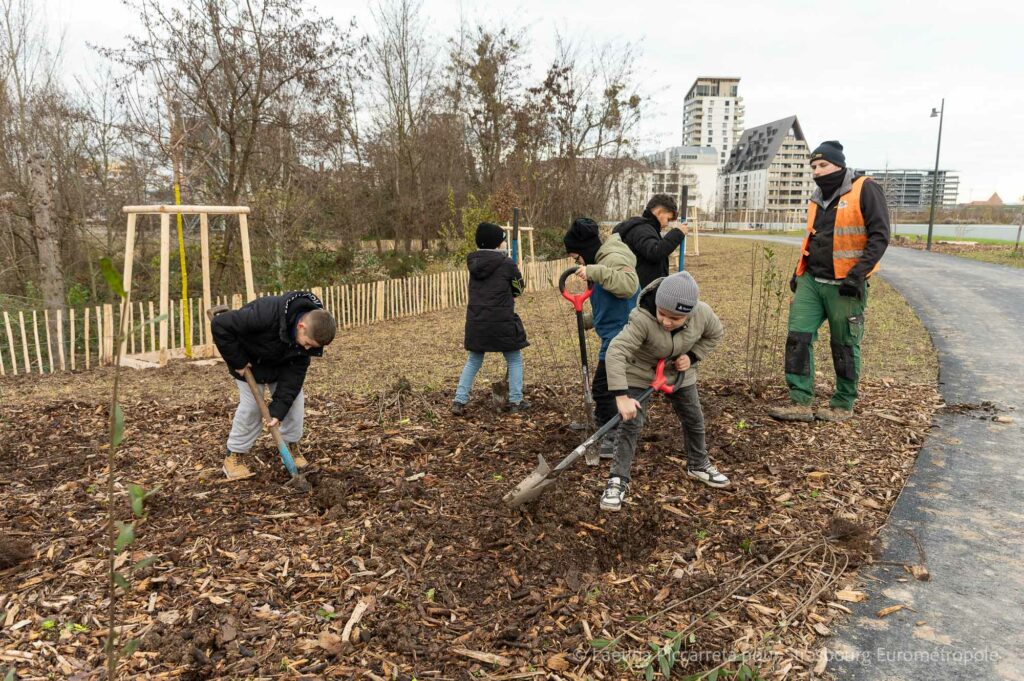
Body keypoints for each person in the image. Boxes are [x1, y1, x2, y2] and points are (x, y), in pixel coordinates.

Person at [768, 140, 890, 423]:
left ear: (839, 165)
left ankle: (842, 403)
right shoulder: (816, 197)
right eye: (813, 166)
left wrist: (857, 274)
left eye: (823, 165)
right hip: (811, 279)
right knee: (798, 337)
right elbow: (814, 237)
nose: (818, 171)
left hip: (845, 284)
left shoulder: (864, 188)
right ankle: (800, 401)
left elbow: (880, 235)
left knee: (844, 344)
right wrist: (798, 273)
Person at [601, 271, 729, 512]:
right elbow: (616, 351)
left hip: (677, 373)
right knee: (631, 424)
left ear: (689, 313)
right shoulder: (642, 318)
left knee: (694, 419)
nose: (667, 321)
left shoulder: (702, 313)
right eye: (663, 313)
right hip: (639, 372)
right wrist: (621, 396)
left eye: (675, 318)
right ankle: (617, 480)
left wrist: (692, 357)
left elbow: (715, 334)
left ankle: (698, 464)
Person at [211, 291, 337, 479]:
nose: (309, 349)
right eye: (308, 344)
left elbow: (293, 379)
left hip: (281, 365)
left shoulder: (309, 340)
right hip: (248, 362)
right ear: (301, 326)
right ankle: (234, 457)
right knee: (252, 407)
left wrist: (277, 411)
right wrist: (238, 361)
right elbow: (220, 325)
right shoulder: (264, 314)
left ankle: (291, 447)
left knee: (294, 403)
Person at [562, 217, 640, 458]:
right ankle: (602, 423)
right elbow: (610, 303)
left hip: (623, 336)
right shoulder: (601, 261)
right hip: (613, 331)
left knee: (604, 387)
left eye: (577, 257)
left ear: (586, 249)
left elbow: (628, 285)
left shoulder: (611, 259)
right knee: (604, 386)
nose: (578, 262)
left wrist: (593, 270)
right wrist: (588, 321)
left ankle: (614, 434)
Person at [452, 222, 530, 414]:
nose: (504, 245)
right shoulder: (507, 263)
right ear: (497, 245)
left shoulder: (474, 264)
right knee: (514, 359)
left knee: (473, 361)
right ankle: (516, 401)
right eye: (503, 241)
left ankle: (459, 401)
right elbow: (519, 289)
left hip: (477, 322)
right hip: (502, 322)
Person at [613, 193, 688, 288]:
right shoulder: (642, 229)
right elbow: (654, 251)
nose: (667, 224)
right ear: (659, 212)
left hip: (643, 290)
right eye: (668, 219)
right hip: (642, 294)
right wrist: (678, 233)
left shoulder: (648, 228)